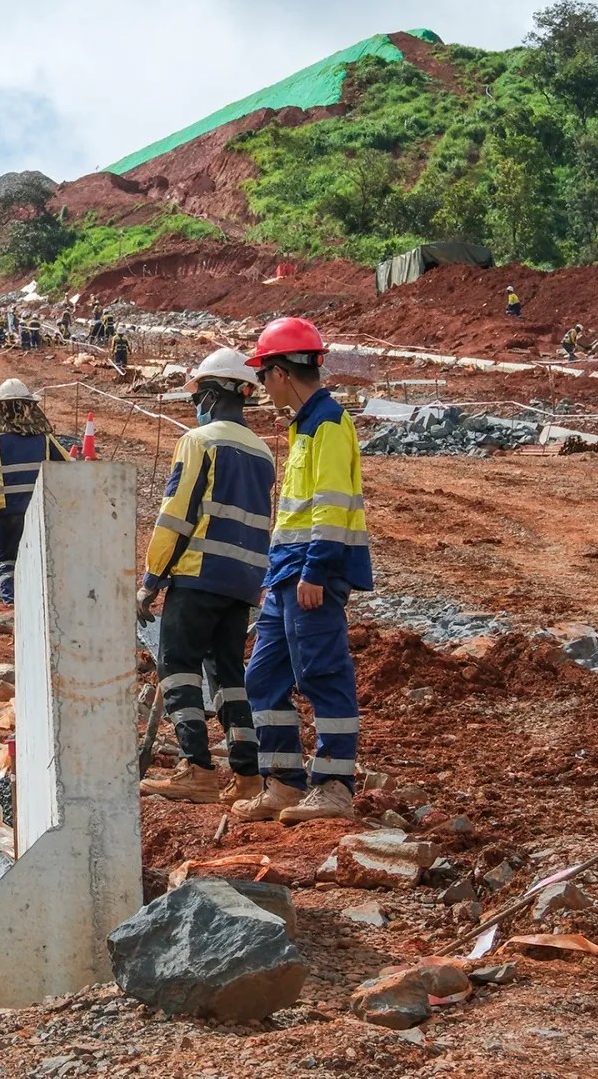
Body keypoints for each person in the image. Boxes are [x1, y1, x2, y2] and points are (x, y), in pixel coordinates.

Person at [233, 317, 372, 826]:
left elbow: (331, 508)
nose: (262, 387)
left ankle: (334, 785)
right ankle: (285, 782)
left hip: (312, 572)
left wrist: (316, 570)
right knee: (264, 676)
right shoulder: (305, 424)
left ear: (279, 372)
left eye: (263, 375)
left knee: (323, 671)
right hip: (287, 573)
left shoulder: (328, 424)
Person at [136, 349, 277, 807]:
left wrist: (152, 579)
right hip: (240, 584)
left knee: (178, 667)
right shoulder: (264, 453)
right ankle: (247, 775)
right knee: (229, 674)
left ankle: (195, 766)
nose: (196, 404)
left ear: (213, 396)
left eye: (199, 395)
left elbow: (177, 515)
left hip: (196, 575)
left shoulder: (199, 441)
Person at [0, 378, 70, 603]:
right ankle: (35, 602)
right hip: (38, 509)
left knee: (7, 558)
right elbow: (66, 464)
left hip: (6, 509)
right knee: (36, 555)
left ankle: (11, 602)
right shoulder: (45, 440)